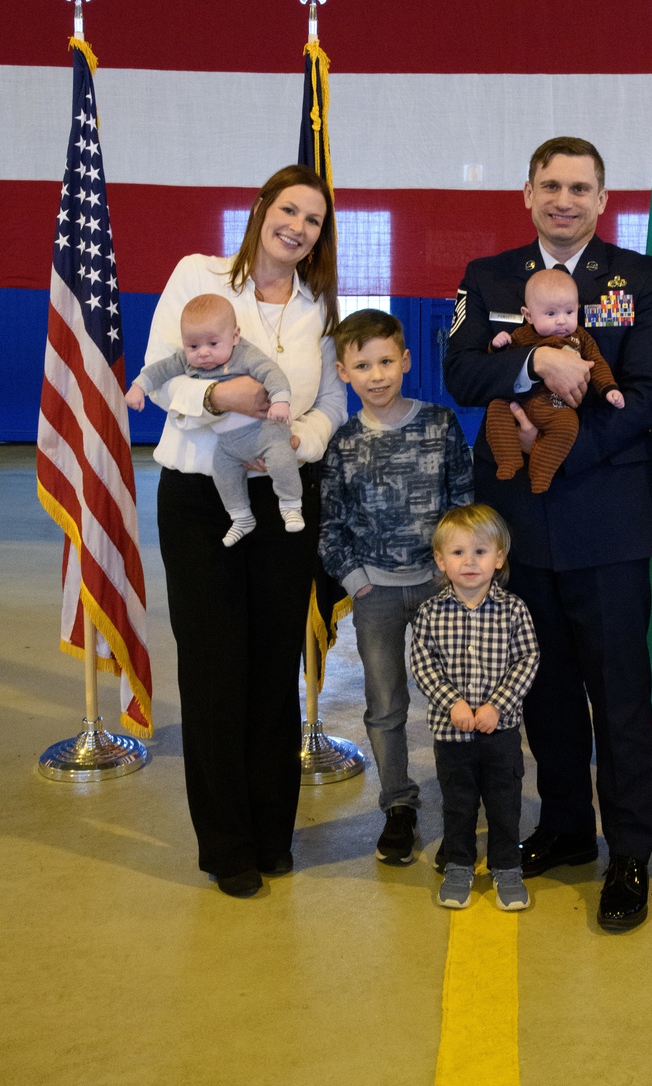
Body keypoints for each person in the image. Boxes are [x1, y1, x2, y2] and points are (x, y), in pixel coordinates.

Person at [444, 136, 652, 932]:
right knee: (542, 692)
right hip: (515, 525)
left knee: (617, 698)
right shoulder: (490, 277)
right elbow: (462, 373)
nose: (565, 199)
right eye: (551, 185)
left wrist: (569, 445)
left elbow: (650, 392)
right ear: (527, 192)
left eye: (581, 187)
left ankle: (631, 855)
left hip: (607, 521)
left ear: (604, 200)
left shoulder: (642, 280)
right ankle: (569, 828)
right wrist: (533, 369)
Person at [144, 165, 346, 898]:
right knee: (212, 670)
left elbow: (330, 399)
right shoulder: (197, 274)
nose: (297, 226)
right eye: (288, 209)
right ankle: (227, 846)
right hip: (200, 502)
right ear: (262, 209)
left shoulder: (316, 305)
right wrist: (215, 393)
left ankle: (272, 834)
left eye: (314, 220)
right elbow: (161, 377)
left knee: (272, 671)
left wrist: (303, 443)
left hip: (285, 505)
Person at [318, 309, 473, 866]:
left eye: (386, 361)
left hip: (439, 588)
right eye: (363, 365)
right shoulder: (342, 444)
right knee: (385, 705)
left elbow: (463, 501)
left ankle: (460, 804)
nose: (377, 374)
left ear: (406, 361)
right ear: (343, 371)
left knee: (454, 697)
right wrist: (356, 581)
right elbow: (330, 524)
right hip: (375, 594)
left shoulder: (440, 424)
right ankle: (398, 808)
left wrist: (453, 574)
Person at [410, 504, 540, 912]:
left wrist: (497, 706)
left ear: (498, 558)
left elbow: (527, 659)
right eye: (458, 552)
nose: (469, 561)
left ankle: (507, 868)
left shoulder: (514, 610)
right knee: (458, 804)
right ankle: (459, 865)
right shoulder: (430, 614)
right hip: (452, 737)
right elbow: (422, 663)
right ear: (440, 561)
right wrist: (453, 703)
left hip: (499, 734)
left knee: (504, 804)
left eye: (480, 552)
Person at [126, 292, 305, 547]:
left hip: (265, 432)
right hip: (229, 442)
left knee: (282, 459)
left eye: (213, 343)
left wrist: (280, 400)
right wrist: (138, 387)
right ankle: (241, 517)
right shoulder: (187, 362)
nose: (203, 354)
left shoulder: (244, 354)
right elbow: (159, 370)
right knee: (223, 473)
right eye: (193, 346)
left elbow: (271, 373)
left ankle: (291, 505)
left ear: (234, 336)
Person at [485, 267, 624, 493]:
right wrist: (496, 344)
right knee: (496, 407)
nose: (562, 321)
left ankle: (541, 471)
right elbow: (499, 365)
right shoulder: (523, 335)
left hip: (556, 405)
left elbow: (596, 363)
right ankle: (508, 459)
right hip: (522, 401)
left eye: (569, 312)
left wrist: (608, 388)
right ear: (528, 314)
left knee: (568, 427)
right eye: (551, 314)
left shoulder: (581, 337)